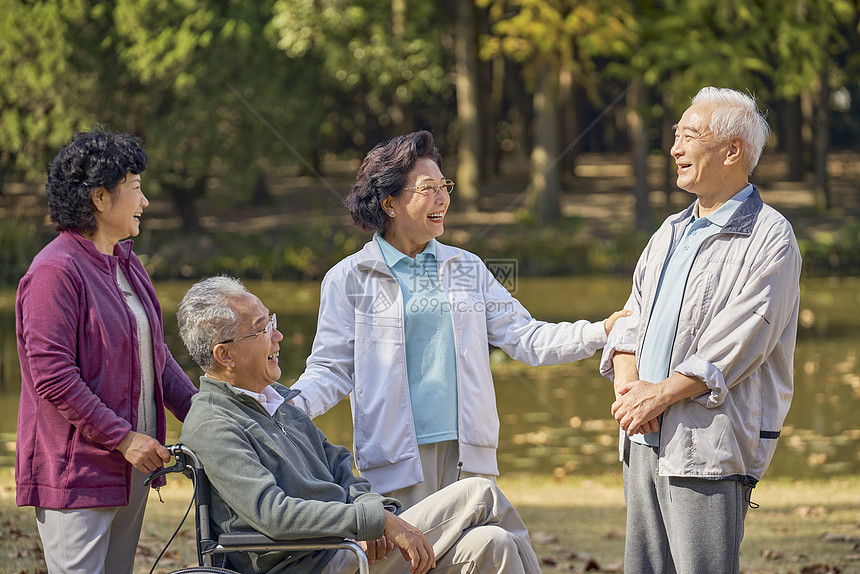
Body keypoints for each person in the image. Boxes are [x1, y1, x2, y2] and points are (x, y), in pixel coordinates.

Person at [290, 130, 628, 508]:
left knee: (477, 556)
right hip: (394, 461)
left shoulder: (466, 268)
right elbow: (331, 369)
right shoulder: (349, 277)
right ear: (389, 203)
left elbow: (525, 338)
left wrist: (601, 331)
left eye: (443, 186)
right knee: (410, 563)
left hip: (471, 456)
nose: (442, 198)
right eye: (428, 188)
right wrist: (282, 408)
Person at [176, 276, 542, 574]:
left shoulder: (279, 401)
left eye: (271, 322)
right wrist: (375, 521)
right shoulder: (213, 423)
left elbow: (342, 471)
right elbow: (274, 515)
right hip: (312, 562)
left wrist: (371, 512)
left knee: (494, 544)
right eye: (261, 330)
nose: (277, 336)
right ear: (224, 355)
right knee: (479, 492)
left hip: (349, 547)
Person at [601, 87, 801, 573]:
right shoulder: (669, 231)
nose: (675, 149)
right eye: (676, 136)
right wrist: (632, 393)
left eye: (689, 136)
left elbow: (737, 344)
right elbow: (630, 321)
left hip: (708, 448)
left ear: (732, 151)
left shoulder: (771, 236)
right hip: (643, 438)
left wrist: (660, 396)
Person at [15, 129, 199, 574]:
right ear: (100, 197)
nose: (145, 200)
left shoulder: (127, 263)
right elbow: (54, 378)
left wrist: (204, 415)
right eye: (135, 188)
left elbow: (158, 357)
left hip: (133, 469)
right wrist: (124, 438)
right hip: (77, 475)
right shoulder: (55, 272)